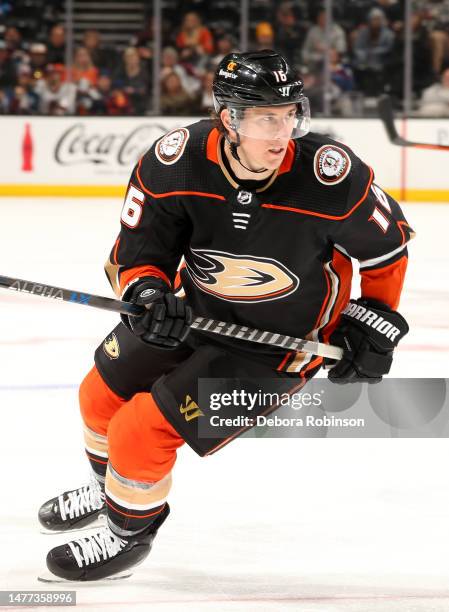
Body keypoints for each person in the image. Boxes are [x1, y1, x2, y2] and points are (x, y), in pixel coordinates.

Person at [38, 50, 413, 581]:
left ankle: (128, 533)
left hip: (280, 349)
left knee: (140, 431)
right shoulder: (175, 163)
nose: (283, 132)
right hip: (193, 315)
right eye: (266, 117)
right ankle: (110, 490)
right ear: (229, 118)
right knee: (97, 398)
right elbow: (138, 250)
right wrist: (148, 296)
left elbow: (386, 251)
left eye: (290, 114)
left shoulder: (331, 177)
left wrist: (374, 317)